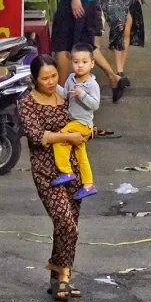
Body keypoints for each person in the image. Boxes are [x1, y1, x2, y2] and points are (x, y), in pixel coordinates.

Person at [17, 54, 86, 301]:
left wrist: (86, 132)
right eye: (44, 78)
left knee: (68, 226)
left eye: (53, 76)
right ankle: (58, 270)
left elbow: (84, 120)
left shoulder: (67, 96)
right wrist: (67, 137)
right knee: (65, 221)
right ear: (34, 79)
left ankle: (62, 278)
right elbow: (37, 137)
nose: (49, 81)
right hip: (47, 173)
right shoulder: (27, 103)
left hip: (73, 170)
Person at [52, 44, 100, 200]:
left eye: (84, 62)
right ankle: (88, 185)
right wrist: (54, 86)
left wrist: (82, 95)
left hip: (83, 123)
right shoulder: (71, 79)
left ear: (92, 63)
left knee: (59, 140)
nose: (80, 65)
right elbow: (65, 95)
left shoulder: (92, 84)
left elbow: (95, 105)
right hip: (73, 120)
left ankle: (66, 171)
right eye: (76, 62)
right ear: (71, 62)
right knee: (81, 156)